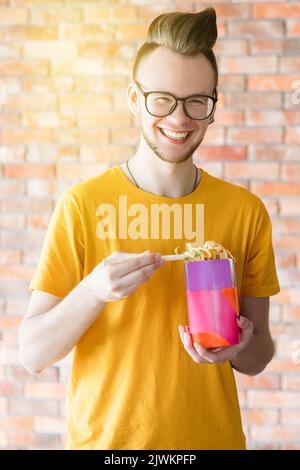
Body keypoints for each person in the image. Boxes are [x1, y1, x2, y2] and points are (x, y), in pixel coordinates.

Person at [19, 7, 280, 450]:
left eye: (197, 100)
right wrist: (92, 290)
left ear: (213, 105)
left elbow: (258, 359)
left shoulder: (244, 211)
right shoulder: (83, 205)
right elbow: (33, 354)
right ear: (134, 99)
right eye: (162, 98)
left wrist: (240, 347)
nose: (179, 119)